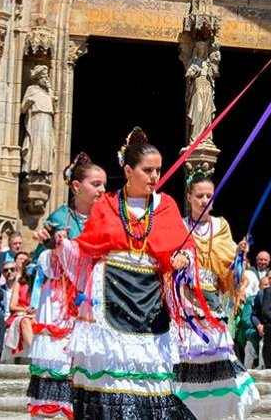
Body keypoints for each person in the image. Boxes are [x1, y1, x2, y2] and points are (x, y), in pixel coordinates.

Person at [52, 129, 197, 419]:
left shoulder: (165, 205)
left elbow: (184, 246)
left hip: (150, 298)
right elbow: (88, 249)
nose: (155, 176)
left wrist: (182, 258)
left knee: (149, 380)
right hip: (109, 293)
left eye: (158, 170)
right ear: (129, 170)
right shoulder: (105, 204)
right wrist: (63, 246)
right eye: (147, 170)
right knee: (110, 376)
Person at [26, 152, 106, 419]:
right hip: (61, 302)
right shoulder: (59, 218)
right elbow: (36, 262)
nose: (102, 190)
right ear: (76, 187)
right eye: (96, 184)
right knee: (60, 361)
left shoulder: (106, 220)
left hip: (94, 303)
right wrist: (50, 248)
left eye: (103, 184)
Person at [178, 170, 259, 418]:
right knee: (187, 363)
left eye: (209, 196)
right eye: (199, 195)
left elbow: (228, 271)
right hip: (186, 302)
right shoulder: (179, 226)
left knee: (220, 361)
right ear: (189, 197)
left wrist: (239, 256)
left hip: (212, 303)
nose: (204, 201)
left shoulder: (221, 226)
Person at [4, 256, 35, 358]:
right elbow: (12, 306)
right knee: (25, 321)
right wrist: (26, 310)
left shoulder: (43, 285)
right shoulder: (19, 284)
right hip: (22, 313)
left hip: (37, 314)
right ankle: (34, 352)